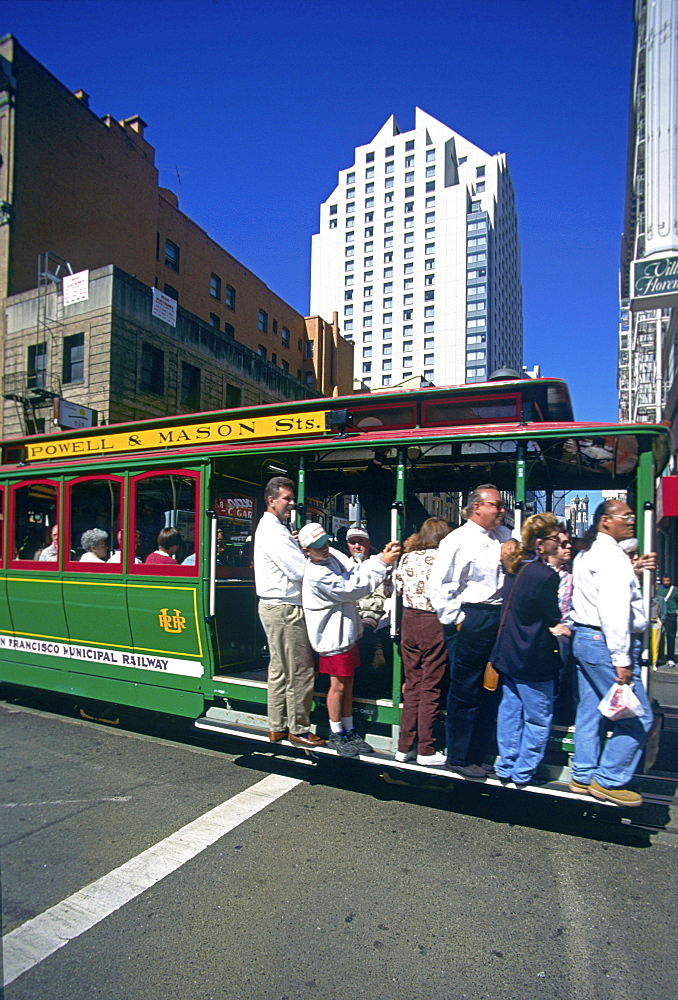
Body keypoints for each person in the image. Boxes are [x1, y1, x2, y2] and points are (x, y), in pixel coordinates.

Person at [569, 499, 654, 806]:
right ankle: (608, 780)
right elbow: (614, 612)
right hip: (606, 642)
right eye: (626, 516)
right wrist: (622, 660)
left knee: (591, 711)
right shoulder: (611, 558)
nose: (631, 521)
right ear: (605, 521)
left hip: (587, 639)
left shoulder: (590, 553)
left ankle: (582, 773)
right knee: (638, 715)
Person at [428, 483, 511, 780]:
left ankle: (480, 753)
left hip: (496, 616)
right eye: (496, 505)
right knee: (466, 689)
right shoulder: (458, 540)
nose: (501, 510)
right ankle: (459, 756)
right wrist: (458, 620)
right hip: (473, 615)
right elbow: (439, 586)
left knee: (491, 687)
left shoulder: (502, 535)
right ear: (477, 507)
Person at [299, 521, 401, 757]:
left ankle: (349, 727)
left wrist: (379, 558)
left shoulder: (330, 557)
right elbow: (353, 587)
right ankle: (337, 731)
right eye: (317, 546)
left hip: (345, 633)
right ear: (306, 550)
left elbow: (355, 571)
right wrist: (382, 562)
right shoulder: (317, 573)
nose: (323, 548)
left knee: (348, 684)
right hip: (333, 637)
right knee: (338, 686)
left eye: (325, 542)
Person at [253, 477, 325, 748]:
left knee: (280, 669)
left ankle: (277, 726)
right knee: (301, 670)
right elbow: (299, 571)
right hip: (285, 608)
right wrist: (314, 558)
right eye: (287, 499)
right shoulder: (273, 531)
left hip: (275, 606)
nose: (292, 504)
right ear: (271, 501)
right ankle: (299, 729)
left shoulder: (274, 529)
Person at [491, 514, 561, 787]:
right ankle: (523, 771)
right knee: (537, 718)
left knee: (510, 711)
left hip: (508, 651)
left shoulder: (515, 565)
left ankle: (505, 765)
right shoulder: (545, 575)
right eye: (555, 538)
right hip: (534, 655)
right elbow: (551, 615)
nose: (559, 542)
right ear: (542, 542)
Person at [394, 516, 451, 766]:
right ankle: (426, 748)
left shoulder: (407, 558)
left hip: (409, 620)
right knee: (431, 686)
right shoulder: (444, 558)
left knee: (413, 683)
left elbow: (395, 588)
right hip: (432, 622)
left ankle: (404, 746)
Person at [346, 526, 394, 677]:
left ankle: (363, 676)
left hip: (369, 615)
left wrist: (359, 604)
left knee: (362, 633)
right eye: (353, 542)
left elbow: (379, 600)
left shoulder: (377, 566)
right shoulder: (342, 565)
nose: (357, 546)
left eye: (361, 542)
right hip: (346, 614)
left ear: (368, 544)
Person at [547, 529, 578, 726]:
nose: (569, 547)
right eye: (564, 543)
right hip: (545, 637)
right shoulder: (539, 572)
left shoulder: (572, 573)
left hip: (566, 637)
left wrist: (570, 626)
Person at [656, 573, 677, 666]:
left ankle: (670, 657)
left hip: (671, 613)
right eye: (664, 580)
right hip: (660, 614)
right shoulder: (658, 589)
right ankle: (660, 657)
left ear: (671, 580)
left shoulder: (675, 590)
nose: (666, 582)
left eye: (668, 580)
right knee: (659, 636)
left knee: (671, 636)